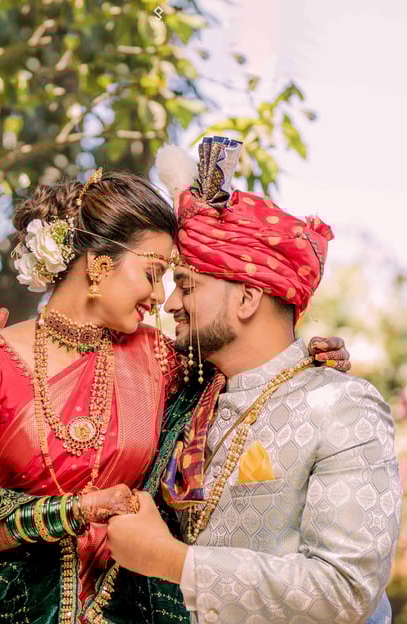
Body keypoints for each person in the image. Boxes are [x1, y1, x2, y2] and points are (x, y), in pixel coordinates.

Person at [87, 137, 400, 624]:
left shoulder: (342, 405)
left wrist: (171, 561)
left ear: (248, 298)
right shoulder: (187, 399)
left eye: (187, 285)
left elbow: (346, 590)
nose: (169, 303)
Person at [0, 169, 182, 624]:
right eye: (152, 273)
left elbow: (236, 385)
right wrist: (76, 510)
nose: (159, 295)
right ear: (99, 263)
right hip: (2, 609)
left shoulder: (158, 359)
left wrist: (301, 356)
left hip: (123, 606)